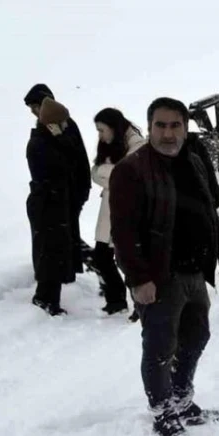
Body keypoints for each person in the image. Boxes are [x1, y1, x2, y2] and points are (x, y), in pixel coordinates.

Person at [109, 96, 219, 436]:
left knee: (197, 337)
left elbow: (208, 214)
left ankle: (182, 399)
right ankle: (163, 411)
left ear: (185, 127)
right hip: (159, 278)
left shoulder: (194, 162)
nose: (168, 134)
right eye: (160, 126)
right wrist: (138, 279)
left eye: (175, 125)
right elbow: (122, 233)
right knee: (160, 347)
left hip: (195, 272)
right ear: (149, 128)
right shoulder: (131, 170)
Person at [24, 84, 93, 286]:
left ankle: (96, 263)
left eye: (36, 106)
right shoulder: (48, 127)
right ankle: (89, 263)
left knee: (65, 235)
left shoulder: (62, 124)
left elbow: (75, 159)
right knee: (65, 234)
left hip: (71, 191)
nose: (34, 112)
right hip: (62, 193)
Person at [90, 108, 147, 315]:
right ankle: (116, 301)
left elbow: (127, 176)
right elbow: (95, 173)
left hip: (128, 211)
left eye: (102, 130)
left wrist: (110, 176)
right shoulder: (111, 145)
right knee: (102, 256)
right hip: (108, 209)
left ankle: (139, 304)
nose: (100, 135)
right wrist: (112, 177)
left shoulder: (137, 144)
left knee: (128, 259)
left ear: (114, 127)